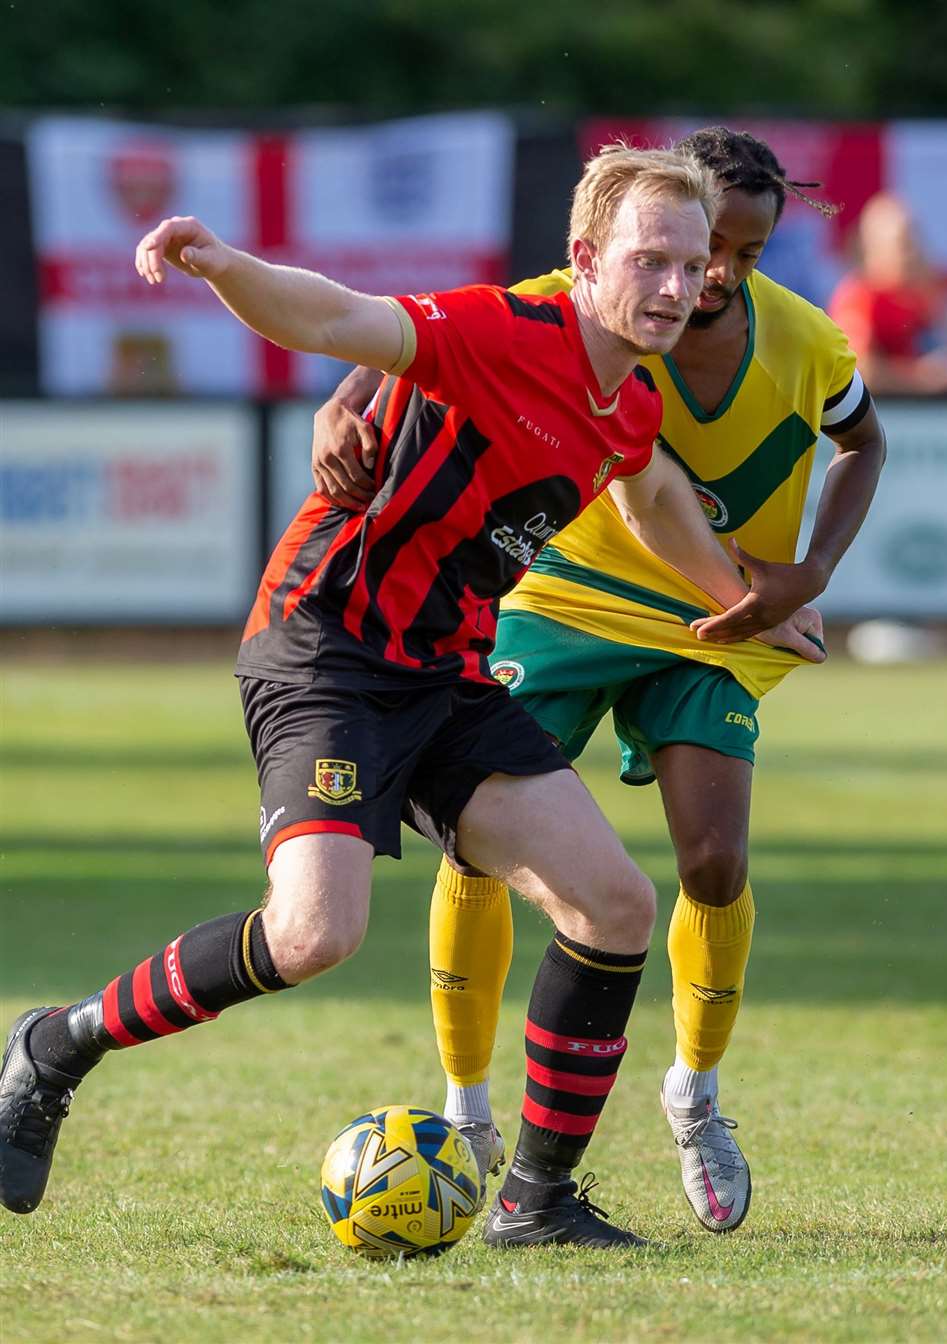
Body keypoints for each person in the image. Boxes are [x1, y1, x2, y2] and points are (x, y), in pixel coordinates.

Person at [0, 145, 824, 1250]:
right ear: (584, 260)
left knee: (616, 906)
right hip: (328, 647)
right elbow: (338, 319)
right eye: (652, 262)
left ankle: (536, 1203)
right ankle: (57, 1046)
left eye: (692, 266)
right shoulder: (497, 333)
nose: (680, 288)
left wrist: (746, 597)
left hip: (446, 671)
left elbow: (655, 500)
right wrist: (221, 263)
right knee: (313, 936)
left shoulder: (626, 403)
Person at [311, 127, 886, 1236]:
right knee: (483, 839)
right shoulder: (602, 287)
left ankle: (695, 1093)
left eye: (746, 254)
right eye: (701, 243)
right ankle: (466, 1107)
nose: (711, 272)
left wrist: (811, 569)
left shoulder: (808, 344)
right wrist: (344, 404)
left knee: (714, 863)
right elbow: (428, 332)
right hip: (564, 596)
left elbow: (866, 441)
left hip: (712, 616)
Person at [828, 192, 947, 395]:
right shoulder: (857, 299)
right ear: (874, 248)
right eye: (904, 244)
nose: (914, 253)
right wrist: (920, 380)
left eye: (917, 240)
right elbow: (856, 371)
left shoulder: (922, 296)